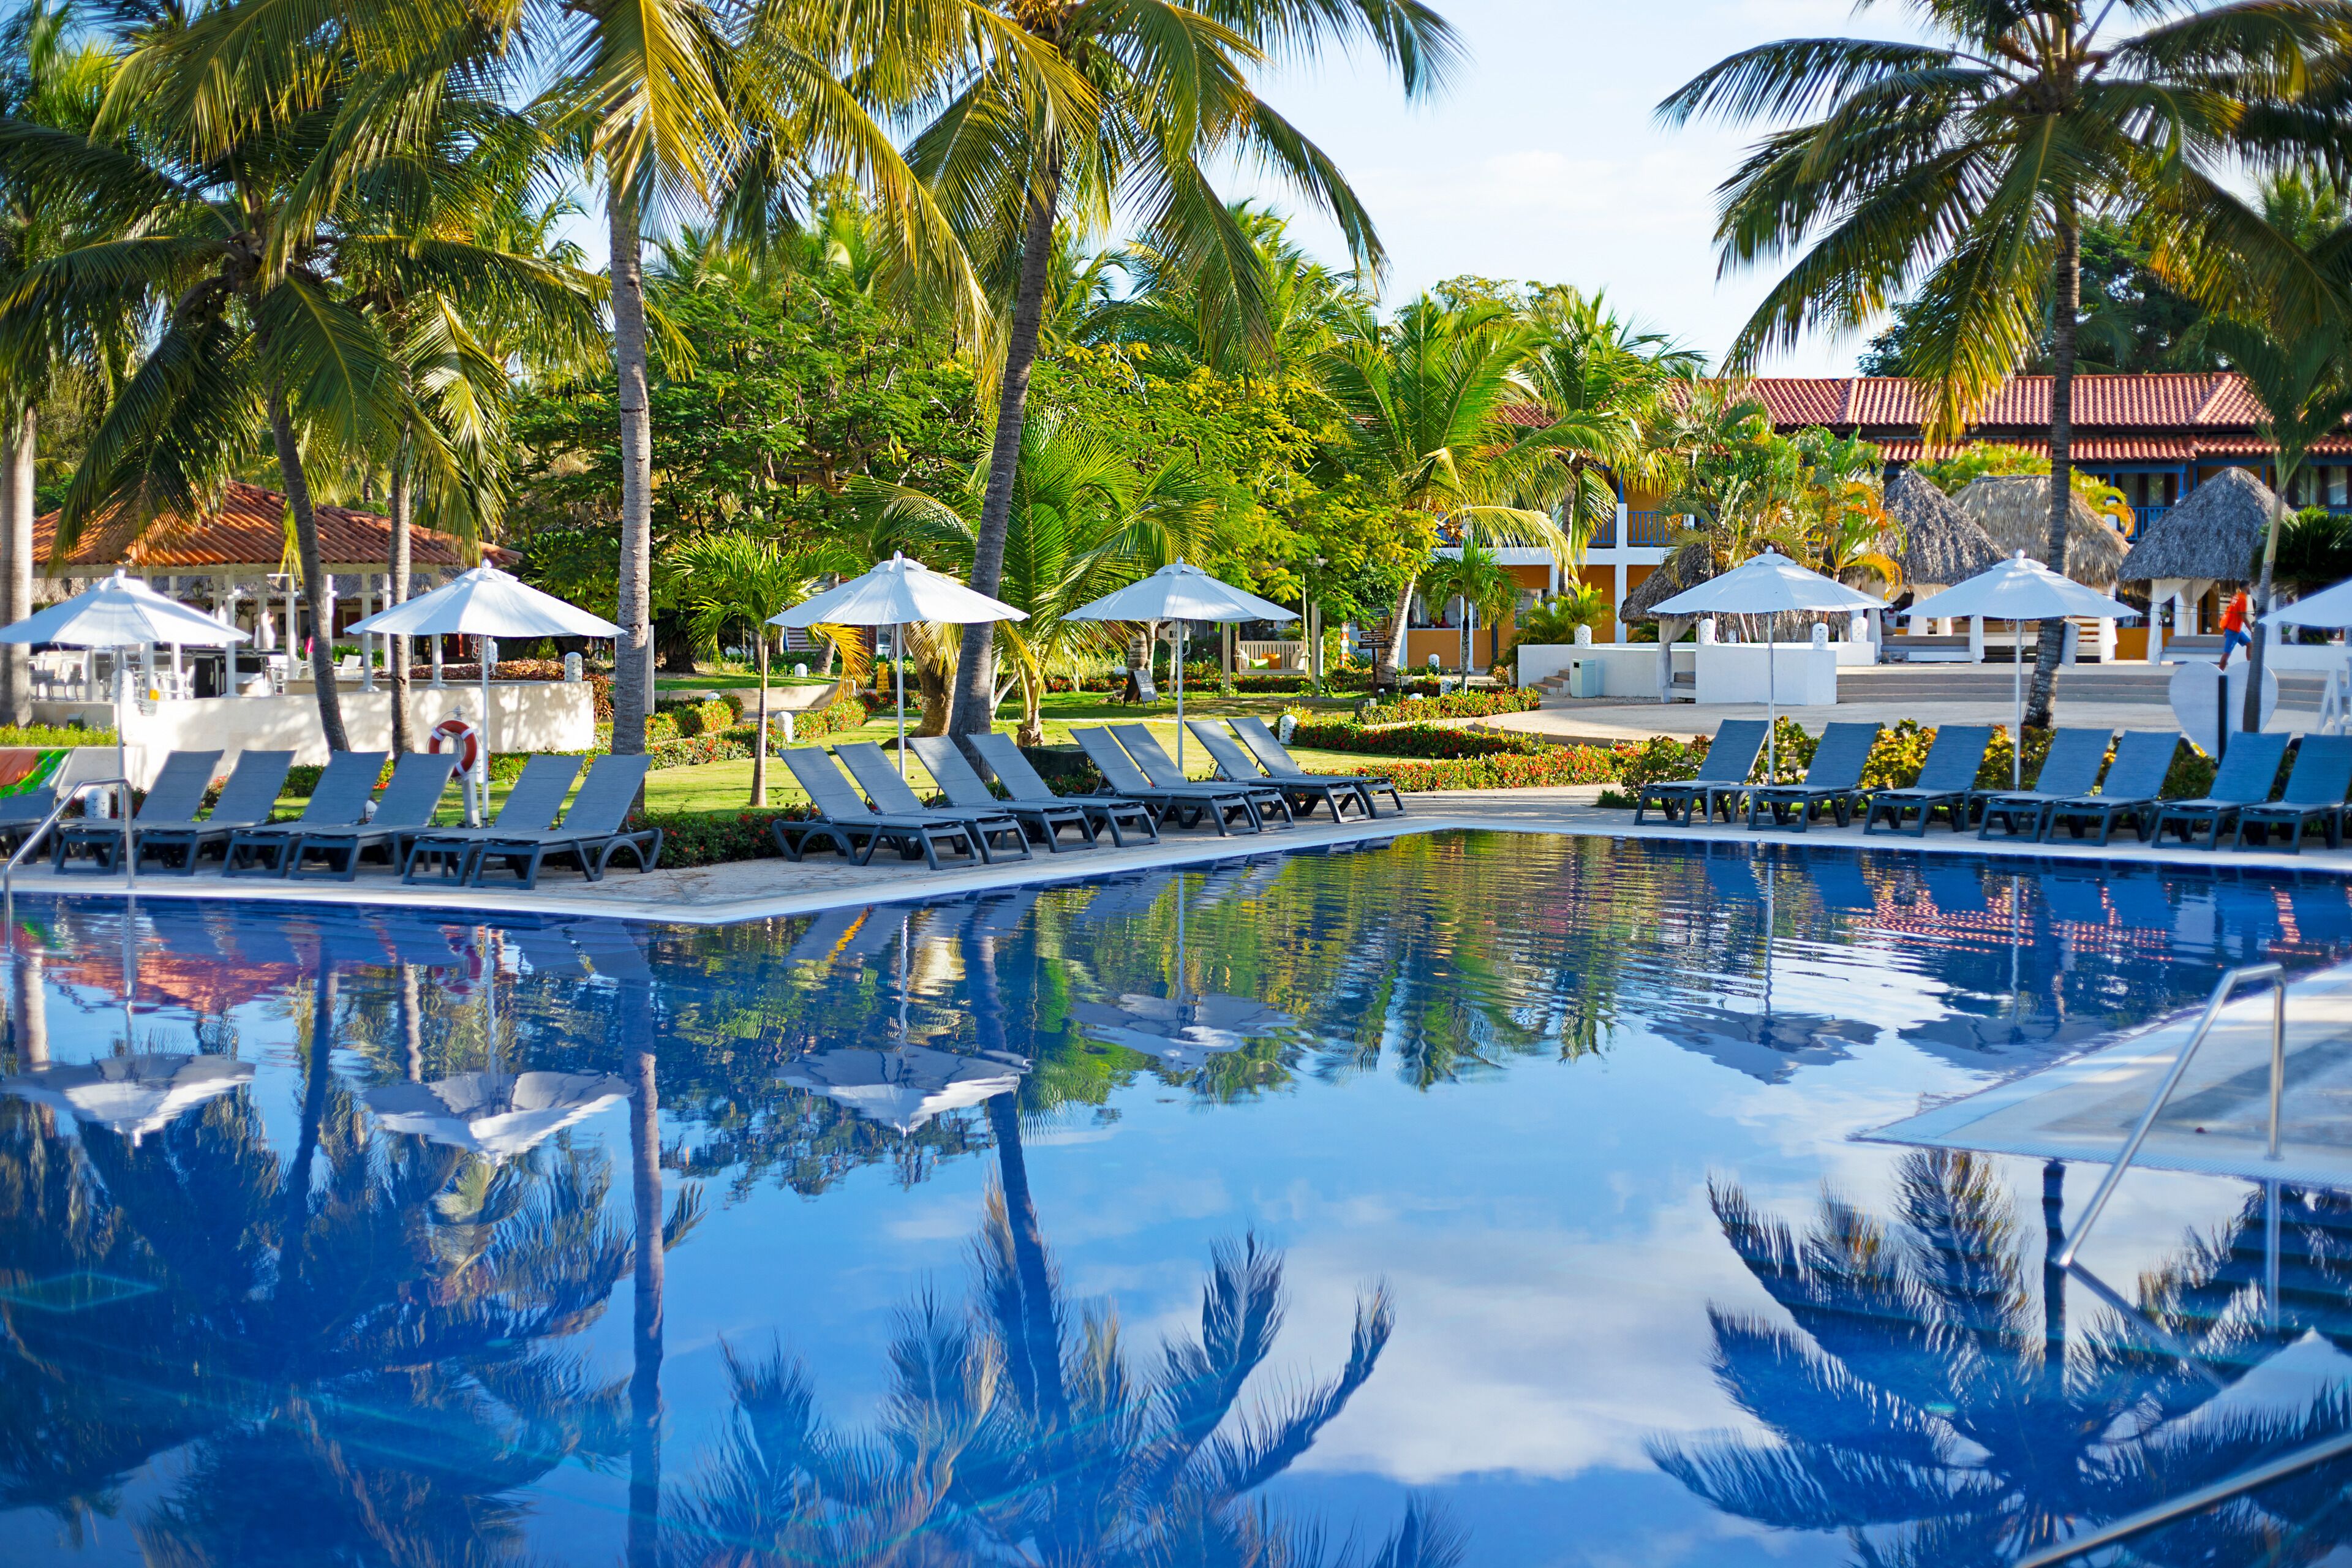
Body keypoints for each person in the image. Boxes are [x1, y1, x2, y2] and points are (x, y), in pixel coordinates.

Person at [2219, 587, 2252, 668]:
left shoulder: (2236, 597)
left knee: (2250, 645)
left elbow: (2230, 613)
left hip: (2234, 628)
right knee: (2227, 653)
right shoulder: (2243, 599)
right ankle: (2220, 672)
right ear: (2247, 588)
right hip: (2233, 630)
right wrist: (2251, 630)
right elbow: (2243, 617)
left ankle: (2250, 667)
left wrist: (2226, 628)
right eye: (2250, 586)